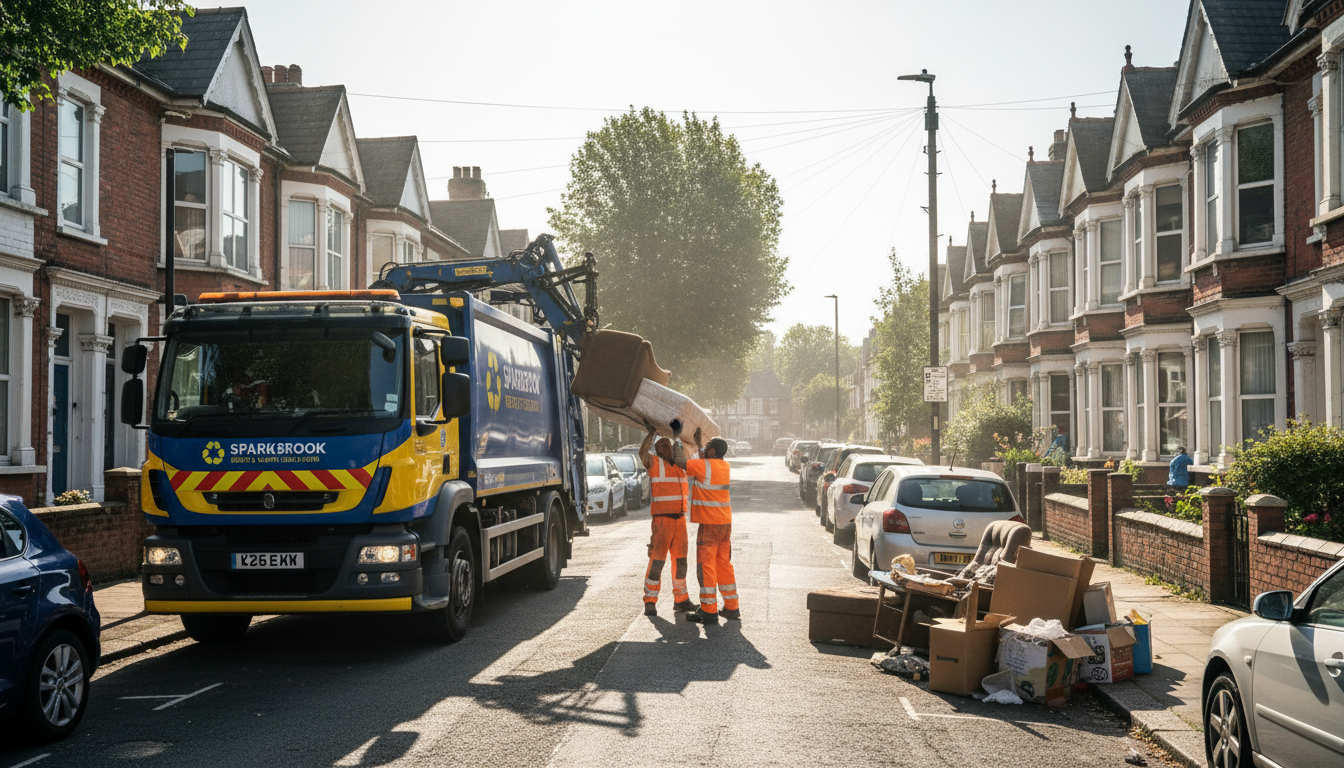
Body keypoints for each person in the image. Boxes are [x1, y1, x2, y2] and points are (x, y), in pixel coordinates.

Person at [672, 426, 738, 625]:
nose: (705, 448)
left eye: (708, 446)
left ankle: (708, 610)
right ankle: (732, 607)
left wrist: (676, 438)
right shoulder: (723, 466)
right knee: (723, 564)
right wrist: (700, 441)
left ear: (711, 452)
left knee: (706, 565)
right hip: (725, 523)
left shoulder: (703, 467)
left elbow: (679, 461)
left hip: (709, 524)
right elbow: (703, 457)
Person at [638, 425, 695, 617]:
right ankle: (650, 601)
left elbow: (688, 448)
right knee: (657, 562)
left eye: (667, 445)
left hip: (680, 520)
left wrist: (678, 434)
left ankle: (681, 599)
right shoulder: (654, 463)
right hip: (662, 522)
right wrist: (652, 433)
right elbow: (642, 452)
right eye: (661, 446)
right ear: (656, 450)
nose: (665, 448)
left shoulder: (680, 465)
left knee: (681, 562)